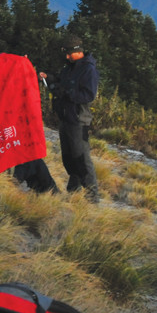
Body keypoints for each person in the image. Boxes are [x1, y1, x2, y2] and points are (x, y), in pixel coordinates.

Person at [41, 36, 99, 200]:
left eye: (68, 53)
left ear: (77, 52)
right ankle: (74, 191)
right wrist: (50, 78)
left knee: (81, 158)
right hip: (65, 118)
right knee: (68, 157)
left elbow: (88, 95)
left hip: (79, 120)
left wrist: (65, 93)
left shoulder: (88, 70)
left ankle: (92, 197)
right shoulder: (69, 68)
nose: (66, 57)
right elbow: (62, 82)